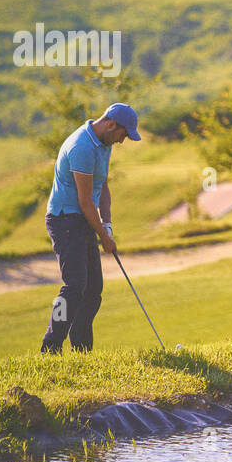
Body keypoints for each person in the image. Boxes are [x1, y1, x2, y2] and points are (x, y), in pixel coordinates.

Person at [41, 103, 141, 354]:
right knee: (74, 285)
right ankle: (50, 347)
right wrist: (104, 238)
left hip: (83, 219)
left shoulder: (104, 144)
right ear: (110, 124)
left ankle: (82, 350)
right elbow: (85, 203)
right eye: (123, 134)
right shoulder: (82, 147)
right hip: (65, 220)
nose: (122, 141)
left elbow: (102, 187)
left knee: (93, 290)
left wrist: (107, 226)